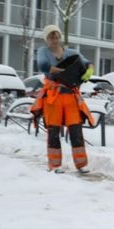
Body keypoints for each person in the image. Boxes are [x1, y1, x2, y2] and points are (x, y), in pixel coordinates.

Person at [33, 24, 96, 173]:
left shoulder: (71, 53)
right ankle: (55, 165)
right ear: (47, 39)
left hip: (70, 96)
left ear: (60, 37)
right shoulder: (43, 51)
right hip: (53, 97)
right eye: (51, 37)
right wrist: (54, 69)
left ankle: (81, 164)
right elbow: (42, 65)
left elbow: (87, 63)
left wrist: (90, 70)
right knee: (53, 130)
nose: (54, 39)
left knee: (75, 129)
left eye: (56, 36)